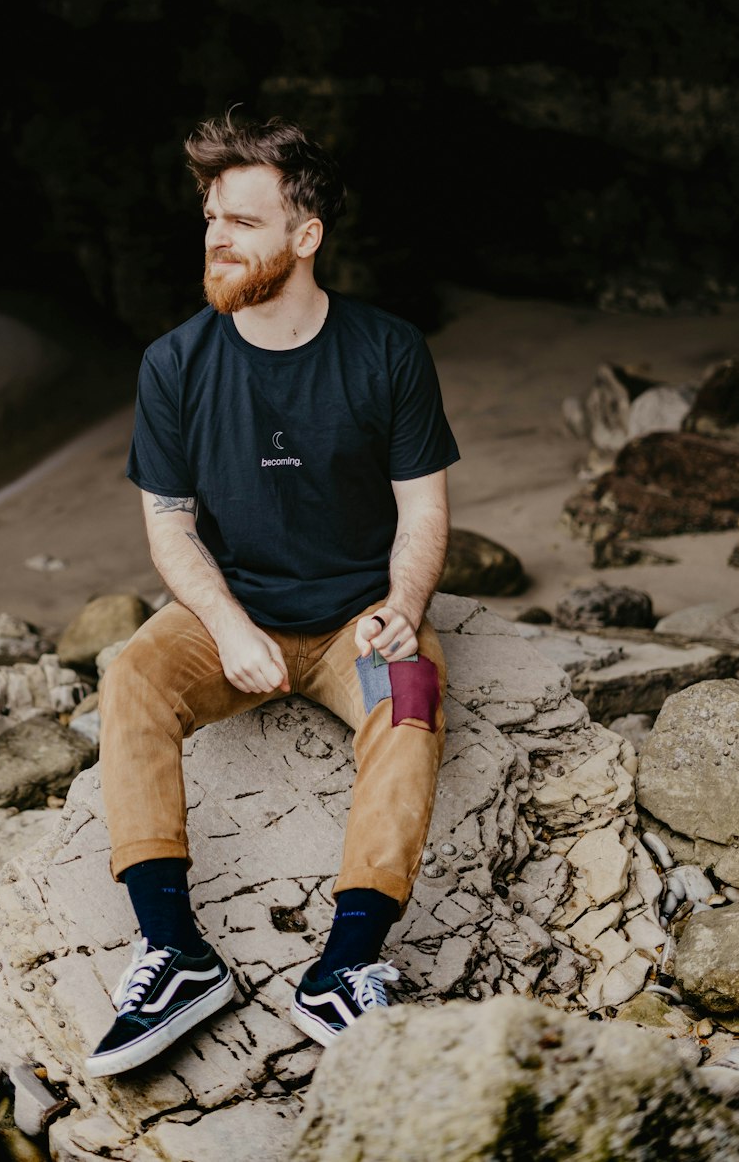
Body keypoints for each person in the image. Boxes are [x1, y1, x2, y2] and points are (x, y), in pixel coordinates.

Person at [86, 111, 460, 1078]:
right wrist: (227, 624)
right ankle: (174, 954)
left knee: (411, 696)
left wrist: (403, 608)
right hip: (233, 614)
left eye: (243, 221)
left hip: (355, 625)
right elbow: (167, 523)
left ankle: (343, 967)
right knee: (130, 676)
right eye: (211, 216)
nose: (216, 237)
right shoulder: (175, 363)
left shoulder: (385, 351)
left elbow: (422, 512)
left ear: (305, 237)